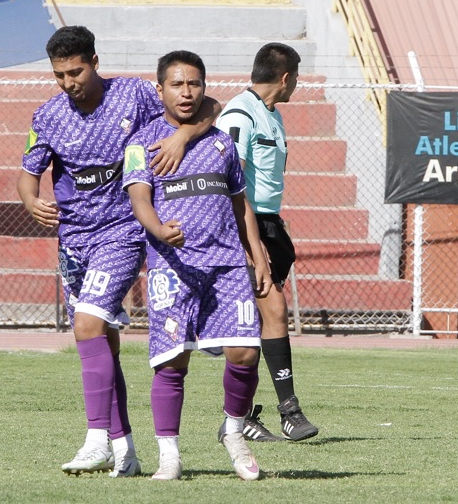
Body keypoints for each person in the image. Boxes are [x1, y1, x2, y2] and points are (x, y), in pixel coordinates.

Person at [17, 26, 220, 477]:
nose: (69, 82)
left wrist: (183, 137)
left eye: (76, 71)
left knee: (87, 325)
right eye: (59, 75)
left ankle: (94, 441)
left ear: (94, 60)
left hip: (123, 231)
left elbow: (210, 107)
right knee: (100, 343)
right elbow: (28, 174)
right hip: (74, 239)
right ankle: (123, 449)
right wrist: (31, 200)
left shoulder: (133, 95)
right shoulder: (48, 114)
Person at [123, 50, 272, 481]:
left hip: (226, 264)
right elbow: (139, 199)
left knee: (246, 352)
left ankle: (233, 430)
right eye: (176, 84)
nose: (186, 92)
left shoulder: (221, 140)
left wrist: (257, 255)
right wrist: (158, 229)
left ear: (203, 87)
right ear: (160, 90)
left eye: (194, 84)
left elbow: (240, 203)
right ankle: (169, 454)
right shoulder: (141, 143)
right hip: (174, 268)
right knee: (172, 363)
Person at [214, 42, 318, 442]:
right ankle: (288, 411)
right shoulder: (240, 113)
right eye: (297, 77)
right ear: (287, 77)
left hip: (269, 225)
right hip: (246, 226)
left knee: (257, 323)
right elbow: (228, 184)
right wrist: (246, 242)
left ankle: (240, 418)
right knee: (272, 309)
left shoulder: (272, 115)